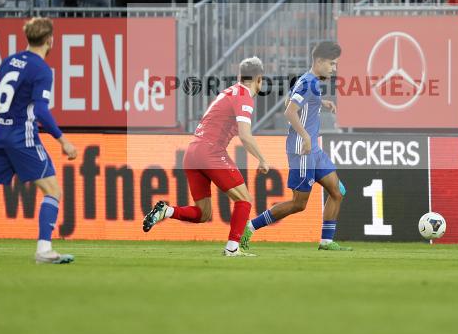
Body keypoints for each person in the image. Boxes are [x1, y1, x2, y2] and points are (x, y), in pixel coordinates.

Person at [0, 18, 78, 264]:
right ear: (49, 40)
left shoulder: (9, 61)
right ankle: (44, 250)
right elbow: (41, 110)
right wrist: (63, 140)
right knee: (53, 191)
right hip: (21, 136)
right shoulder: (41, 69)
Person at [143, 56, 269, 256]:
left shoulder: (228, 92)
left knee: (203, 213)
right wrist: (262, 159)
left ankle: (166, 211)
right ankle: (232, 248)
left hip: (192, 152)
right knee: (244, 199)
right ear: (259, 79)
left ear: (239, 76)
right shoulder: (244, 96)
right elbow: (245, 135)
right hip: (210, 151)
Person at [244, 41, 350, 251]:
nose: (334, 68)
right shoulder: (307, 83)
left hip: (314, 150)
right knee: (298, 204)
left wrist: (320, 103)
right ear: (319, 61)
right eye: (331, 64)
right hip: (303, 150)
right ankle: (250, 227)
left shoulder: (308, 81)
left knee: (337, 191)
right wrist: (306, 136)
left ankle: (326, 242)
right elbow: (289, 111)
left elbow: (288, 101)